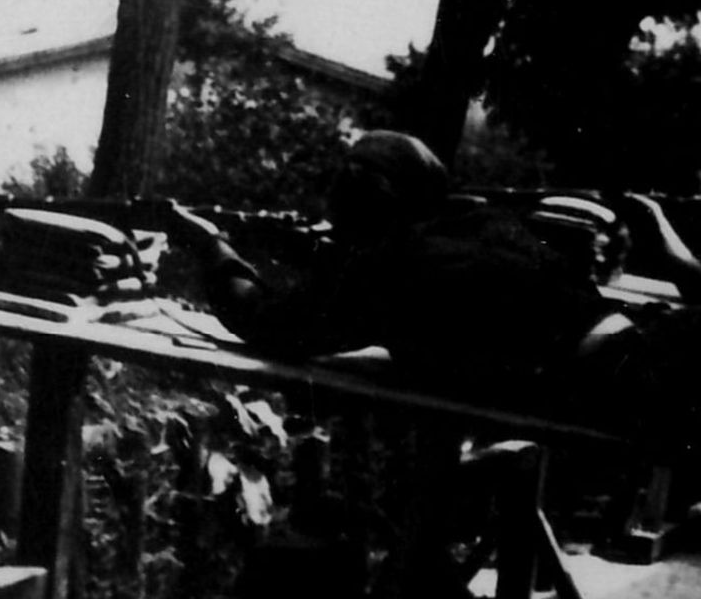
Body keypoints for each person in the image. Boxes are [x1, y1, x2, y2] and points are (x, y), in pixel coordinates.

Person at [166, 130, 611, 405]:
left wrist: (210, 245)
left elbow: (266, 323)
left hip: (599, 386)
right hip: (625, 355)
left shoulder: (392, 265)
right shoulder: (489, 226)